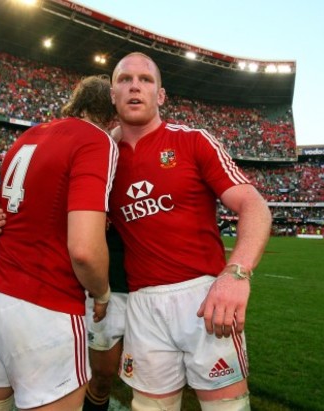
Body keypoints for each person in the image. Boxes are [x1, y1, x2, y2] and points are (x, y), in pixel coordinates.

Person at [108, 52, 272, 410]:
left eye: (146, 80)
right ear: (112, 94)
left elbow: (254, 205)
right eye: (125, 79)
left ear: (161, 96)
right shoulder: (101, 160)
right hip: (142, 302)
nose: (135, 85)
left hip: (204, 299)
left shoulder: (193, 141)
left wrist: (236, 273)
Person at [0, 75, 118, 411]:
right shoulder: (97, 140)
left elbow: (4, 212)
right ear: (112, 117)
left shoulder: (29, 134)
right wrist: (102, 293)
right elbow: (85, 250)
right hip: (42, 305)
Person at [83, 221, 129, 411]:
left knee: (155, 378)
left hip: (153, 286)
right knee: (102, 376)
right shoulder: (96, 191)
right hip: (110, 287)